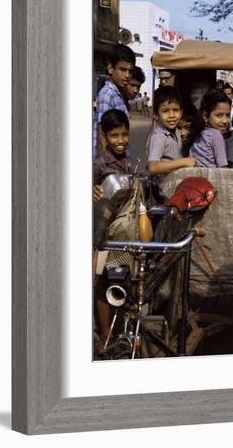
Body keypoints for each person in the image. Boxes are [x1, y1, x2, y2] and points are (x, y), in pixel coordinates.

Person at [92, 109, 134, 350]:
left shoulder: (129, 163)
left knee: (123, 277)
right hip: (105, 234)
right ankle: (106, 333)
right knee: (105, 281)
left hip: (126, 232)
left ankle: (121, 329)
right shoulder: (99, 165)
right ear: (105, 137)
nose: (120, 141)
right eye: (114, 135)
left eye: (125, 134)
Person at [93, 44, 135, 156]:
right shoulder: (107, 94)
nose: (127, 75)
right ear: (111, 69)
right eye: (123, 69)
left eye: (130, 71)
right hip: (109, 162)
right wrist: (105, 167)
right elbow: (102, 133)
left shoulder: (118, 93)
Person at [147, 86, 195, 175]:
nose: (171, 115)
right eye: (165, 111)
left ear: (181, 112)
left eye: (175, 110)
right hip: (165, 185)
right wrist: (184, 162)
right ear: (156, 115)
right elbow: (152, 167)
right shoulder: (160, 136)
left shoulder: (176, 131)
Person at [189, 89, 231, 168]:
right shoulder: (216, 135)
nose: (225, 121)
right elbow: (223, 168)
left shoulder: (201, 132)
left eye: (228, 115)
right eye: (219, 115)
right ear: (205, 116)